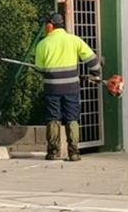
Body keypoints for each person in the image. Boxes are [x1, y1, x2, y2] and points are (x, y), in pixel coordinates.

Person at [35, 12, 101, 161]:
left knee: (53, 118)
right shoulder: (74, 40)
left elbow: (39, 68)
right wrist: (94, 74)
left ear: (50, 26)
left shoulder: (43, 44)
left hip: (52, 89)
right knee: (72, 118)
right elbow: (94, 62)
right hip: (71, 88)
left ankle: (53, 151)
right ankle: (74, 152)